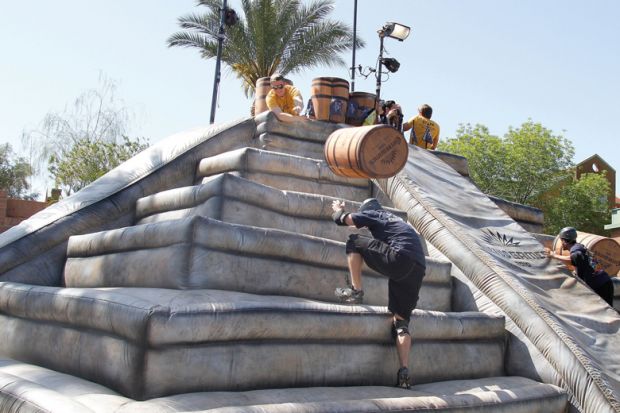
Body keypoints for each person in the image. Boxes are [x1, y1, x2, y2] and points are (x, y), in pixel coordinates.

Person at [331, 198, 427, 389]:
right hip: (417, 268)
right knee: (401, 322)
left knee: (354, 242)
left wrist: (338, 210)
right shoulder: (396, 221)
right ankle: (404, 371)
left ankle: (356, 291)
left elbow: (342, 220)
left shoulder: (374, 213)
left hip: (400, 258)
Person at [545, 227, 614, 306]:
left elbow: (575, 257)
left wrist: (554, 256)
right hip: (604, 282)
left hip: (600, 286)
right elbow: (583, 263)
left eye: (561, 241)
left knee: (605, 314)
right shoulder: (580, 246)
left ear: (564, 241)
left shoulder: (576, 249)